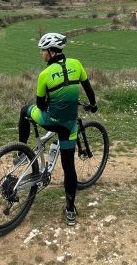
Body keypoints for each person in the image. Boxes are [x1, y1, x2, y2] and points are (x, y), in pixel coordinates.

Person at [17, 32, 97, 226]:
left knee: (24, 111)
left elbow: (41, 105)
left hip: (50, 120)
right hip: (69, 125)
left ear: (51, 52)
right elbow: (88, 88)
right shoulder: (77, 64)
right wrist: (93, 105)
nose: (41, 53)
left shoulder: (44, 75)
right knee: (69, 167)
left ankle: (21, 151)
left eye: (43, 50)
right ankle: (70, 210)